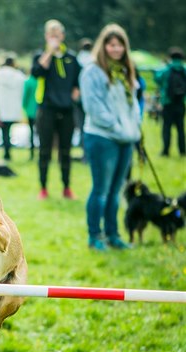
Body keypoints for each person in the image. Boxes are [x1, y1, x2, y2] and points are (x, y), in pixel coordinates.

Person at [80, 23, 141, 250]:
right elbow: (94, 108)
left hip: (126, 138)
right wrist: (117, 127)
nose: (116, 50)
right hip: (102, 138)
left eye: (120, 45)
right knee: (101, 190)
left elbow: (133, 103)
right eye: (111, 45)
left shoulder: (124, 71)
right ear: (103, 46)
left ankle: (113, 234)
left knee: (116, 192)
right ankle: (95, 236)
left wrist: (135, 127)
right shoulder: (92, 71)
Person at [31, 19, 82, 200]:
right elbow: (36, 72)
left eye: (57, 35)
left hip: (67, 110)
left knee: (66, 150)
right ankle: (43, 188)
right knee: (44, 150)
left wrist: (76, 93)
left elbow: (78, 80)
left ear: (62, 36)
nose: (55, 38)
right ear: (46, 36)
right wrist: (50, 52)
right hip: (47, 109)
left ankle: (67, 187)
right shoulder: (41, 55)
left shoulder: (72, 58)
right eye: (51, 35)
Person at [0, 55, 26, 161]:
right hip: (13, 107)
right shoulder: (19, 75)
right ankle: (8, 151)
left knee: (4, 131)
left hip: (1, 106)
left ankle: (6, 151)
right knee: (9, 130)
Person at [154, 46, 186, 157]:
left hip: (167, 103)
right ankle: (182, 151)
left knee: (166, 128)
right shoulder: (184, 69)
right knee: (181, 129)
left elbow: (157, 79)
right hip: (181, 103)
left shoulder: (166, 69)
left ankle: (165, 151)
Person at [23, 74, 39, 160]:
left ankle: (32, 153)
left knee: (32, 132)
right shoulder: (41, 80)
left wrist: (25, 107)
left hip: (30, 110)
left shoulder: (29, 81)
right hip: (41, 110)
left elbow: (25, 97)